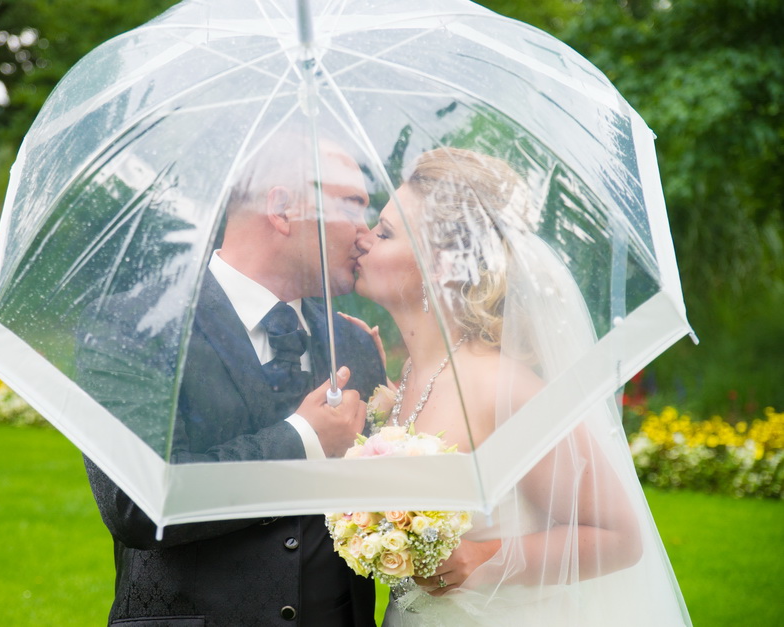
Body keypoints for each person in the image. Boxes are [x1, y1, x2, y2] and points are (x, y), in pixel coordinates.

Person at [347, 148, 692, 626]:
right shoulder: (403, 379)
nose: (362, 240)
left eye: (385, 232)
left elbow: (619, 536)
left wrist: (482, 558)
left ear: (442, 265)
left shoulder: (501, 386)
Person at [76, 132, 386, 626]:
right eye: (351, 205)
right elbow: (136, 504)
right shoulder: (136, 328)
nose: (366, 233)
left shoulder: (355, 345)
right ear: (283, 209)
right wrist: (302, 440)